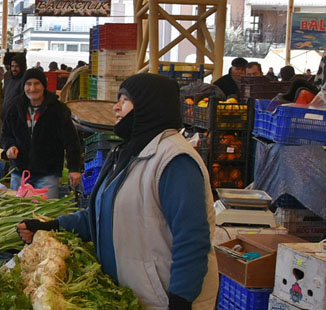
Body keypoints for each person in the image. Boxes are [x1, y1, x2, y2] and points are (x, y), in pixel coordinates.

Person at [16, 73, 218, 309]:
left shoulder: (175, 160)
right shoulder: (129, 153)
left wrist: (181, 300)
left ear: (148, 105)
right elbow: (104, 215)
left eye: (124, 100)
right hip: (134, 296)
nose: (116, 107)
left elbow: (192, 238)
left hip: (163, 300)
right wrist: (52, 226)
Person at [1, 68, 82, 198]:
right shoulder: (14, 107)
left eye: (37, 83)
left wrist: (74, 169)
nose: (32, 88)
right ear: (23, 86)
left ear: (44, 85)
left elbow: (71, 141)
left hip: (47, 174)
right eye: (28, 84)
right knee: (18, 215)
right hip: (20, 173)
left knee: (45, 215)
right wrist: (10, 146)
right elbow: (6, 134)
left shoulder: (58, 109)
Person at [1, 53, 27, 119]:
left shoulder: (26, 81)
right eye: (12, 66)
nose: (14, 69)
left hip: (17, 119)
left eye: (17, 66)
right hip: (7, 117)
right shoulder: (11, 79)